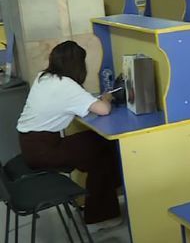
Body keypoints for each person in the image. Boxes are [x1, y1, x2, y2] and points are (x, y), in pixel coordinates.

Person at [16, 41, 122, 232]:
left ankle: (101, 199)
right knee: (103, 152)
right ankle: (99, 218)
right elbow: (104, 110)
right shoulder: (66, 85)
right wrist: (106, 98)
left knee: (99, 143)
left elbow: (70, 104)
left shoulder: (44, 77)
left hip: (30, 145)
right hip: (44, 151)